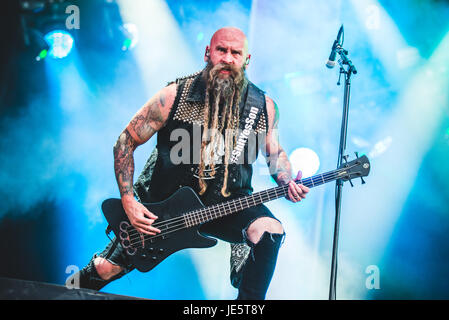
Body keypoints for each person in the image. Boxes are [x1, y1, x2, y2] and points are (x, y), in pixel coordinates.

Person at [67, 26, 309, 300]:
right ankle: (56, 295)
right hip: (164, 206)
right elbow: (125, 142)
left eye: (235, 53)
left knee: (270, 231)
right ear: (208, 53)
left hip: (228, 204)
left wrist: (287, 180)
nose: (228, 58)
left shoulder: (263, 105)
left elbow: (274, 153)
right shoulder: (175, 95)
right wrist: (128, 201)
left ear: (246, 60)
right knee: (105, 268)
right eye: (222, 50)